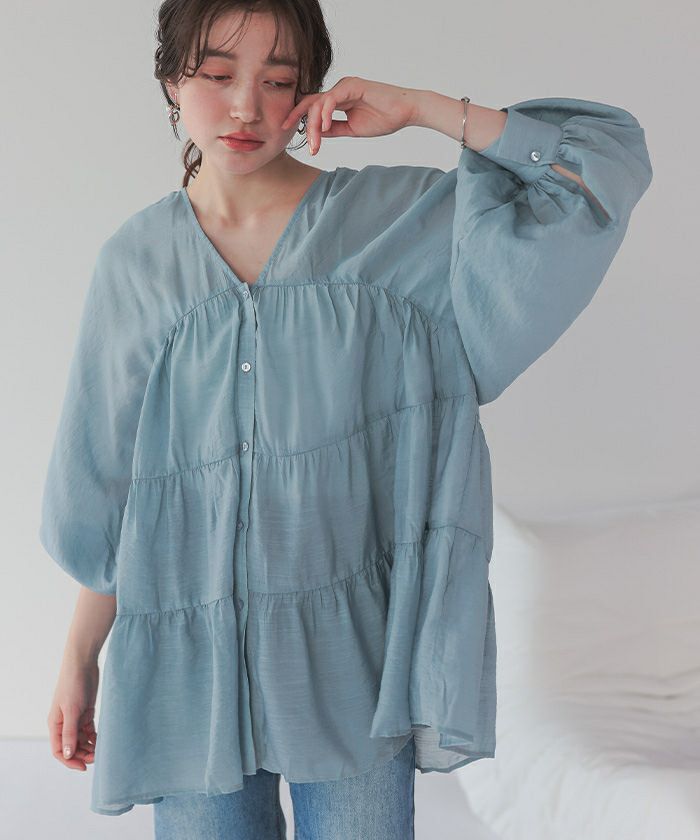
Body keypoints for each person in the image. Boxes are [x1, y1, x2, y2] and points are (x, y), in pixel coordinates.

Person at [40, 0, 653, 836]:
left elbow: (593, 172)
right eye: (217, 75)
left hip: (351, 670)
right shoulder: (135, 266)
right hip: (188, 676)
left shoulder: (396, 228)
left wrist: (421, 108)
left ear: (311, 91)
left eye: (279, 80)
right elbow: (111, 491)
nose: (247, 106)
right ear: (171, 81)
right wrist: (78, 659)